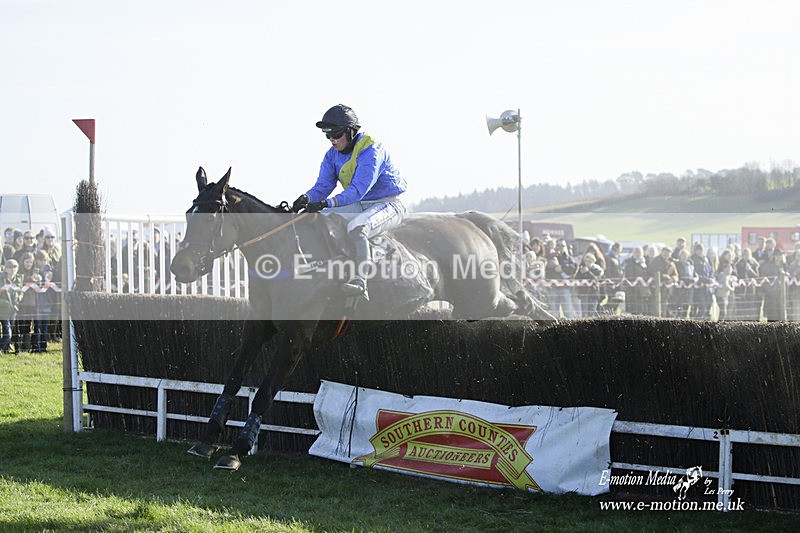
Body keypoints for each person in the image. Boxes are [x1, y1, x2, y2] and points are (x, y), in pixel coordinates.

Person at [292, 104, 407, 299]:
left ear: (351, 132)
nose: (332, 140)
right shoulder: (331, 155)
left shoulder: (372, 150)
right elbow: (323, 186)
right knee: (313, 218)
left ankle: (360, 280)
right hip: (360, 204)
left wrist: (326, 203)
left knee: (357, 227)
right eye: (328, 135)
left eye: (336, 134)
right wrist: (306, 198)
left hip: (388, 204)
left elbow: (357, 191)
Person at [648, 245, 678, 317]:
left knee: (666, 302)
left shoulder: (672, 263)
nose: (666, 254)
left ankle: (665, 316)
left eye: (668, 252)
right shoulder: (656, 260)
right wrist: (663, 276)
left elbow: (676, 275)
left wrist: (672, 279)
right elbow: (652, 271)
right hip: (657, 286)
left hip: (668, 287)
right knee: (656, 302)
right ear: (661, 252)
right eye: (665, 252)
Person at [1, 259, 23, 353]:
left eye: (15, 267)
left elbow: (21, 292)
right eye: (10, 267)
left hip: (14, 309)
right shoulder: (1, 279)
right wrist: (5, 302)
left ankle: (5, 350)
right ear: (5, 269)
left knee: (9, 331)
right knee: (8, 333)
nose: (13, 269)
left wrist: (18, 299)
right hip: (3, 310)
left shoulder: (19, 279)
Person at [734, 247, 760, 320]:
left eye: (748, 254)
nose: (746, 256)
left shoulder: (753, 264)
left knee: (750, 306)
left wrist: (749, 270)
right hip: (741, 289)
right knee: (741, 307)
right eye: (745, 254)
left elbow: (756, 276)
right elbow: (737, 276)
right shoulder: (738, 264)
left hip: (751, 289)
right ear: (742, 255)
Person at [575, 252, 604, 317]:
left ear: (593, 261)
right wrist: (580, 273)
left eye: (590, 261)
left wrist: (588, 272)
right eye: (586, 261)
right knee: (584, 314)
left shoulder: (597, 269)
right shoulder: (582, 269)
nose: (587, 263)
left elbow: (596, 279)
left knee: (592, 314)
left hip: (593, 294)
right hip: (584, 294)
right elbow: (577, 279)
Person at [622, 246, 650, 315]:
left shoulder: (645, 262)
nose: (638, 254)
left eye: (639, 252)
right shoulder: (630, 263)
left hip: (643, 287)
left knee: (643, 306)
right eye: (636, 252)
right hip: (633, 288)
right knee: (634, 307)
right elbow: (628, 275)